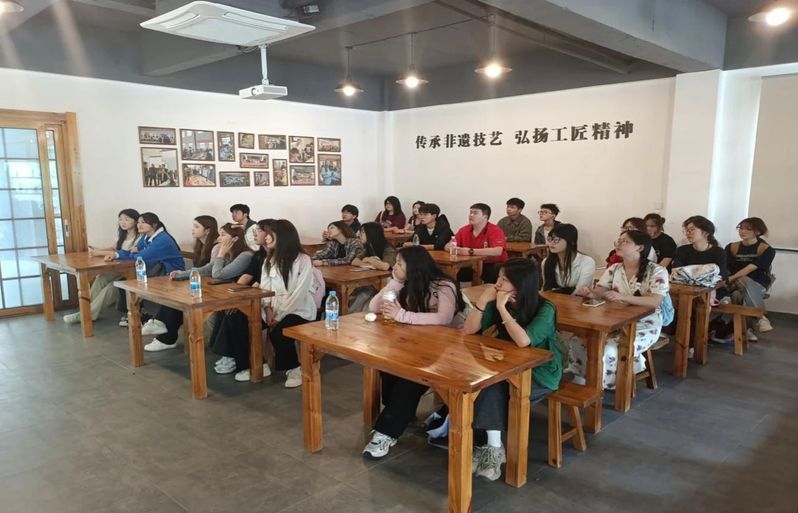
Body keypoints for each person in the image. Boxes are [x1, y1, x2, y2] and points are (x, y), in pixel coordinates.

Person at [362, 246, 466, 459]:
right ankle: (400, 412)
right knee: (388, 366)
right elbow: (373, 307)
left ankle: (386, 433)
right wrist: (395, 283)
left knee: (411, 379)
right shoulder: (406, 284)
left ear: (415, 266)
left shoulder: (443, 285)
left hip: (449, 349)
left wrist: (402, 315)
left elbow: (443, 318)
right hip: (417, 344)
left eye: (400, 264)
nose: (395, 267)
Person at [463, 258, 562, 481]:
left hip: (541, 373)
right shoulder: (500, 299)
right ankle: (489, 447)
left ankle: (492, 450)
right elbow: (469, 330)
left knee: (491, 388)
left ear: (520, 284)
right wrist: (483, 301)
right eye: (498, 278)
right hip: (506, 366)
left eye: (504, 279)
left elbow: (524, 341)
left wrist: (501, 308)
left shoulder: (545, 308)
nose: (497, 284)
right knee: (481, 384)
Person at [571, 230, 669, 390]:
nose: (618, 244)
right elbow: (602, 290)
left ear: (639, 247)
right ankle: (582, 376)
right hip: (614, 320)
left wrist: (622, 297)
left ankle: (600, 385)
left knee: (609, 347)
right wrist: (591, 293)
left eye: (625, 241)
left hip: (645, 324)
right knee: (578, 340)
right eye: (619, 240)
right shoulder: (615, 268)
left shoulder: (657, 271)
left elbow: (655, 300)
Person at [141, 223, 257, 351]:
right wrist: (182, 274)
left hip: (233, 296)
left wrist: (221, 254)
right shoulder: (227, 252)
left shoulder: (245, 255)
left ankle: (165, 333)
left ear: (235, 239)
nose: (219, 238)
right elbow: (207, 269)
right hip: (218, 291)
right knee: (181, 295)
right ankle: (161, 327)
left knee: (191, 300)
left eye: (223, 235)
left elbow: (218, 274)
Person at [103, 212, 185, 341]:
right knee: (124, 283)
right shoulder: (146, 237)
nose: (139, 225)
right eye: (138, 222)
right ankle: (144, 317)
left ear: (154, 225)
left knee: (129, 283)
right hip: (156, 271)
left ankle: (150, 319)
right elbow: (133, 252)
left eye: (143, 222)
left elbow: (141, 256)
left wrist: (136, 252)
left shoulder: (162, 239)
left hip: (170, 273)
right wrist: (116, 254)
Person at [210, 219, 275, 379]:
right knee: (225, 309)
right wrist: (236, 297)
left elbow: (267, 284)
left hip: (271, 302)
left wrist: (241, 300)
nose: (254, 233)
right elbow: (246, 277)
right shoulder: (259, 255)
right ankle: (230, 355)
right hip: (256, 298)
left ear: (272, 234)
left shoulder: (278, 257)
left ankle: (252, 363)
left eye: (259, 231)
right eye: (254, 230)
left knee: (237, 316)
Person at [260, 219, 318, 388]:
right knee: (248, 323)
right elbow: (265, 288)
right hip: (273, 309)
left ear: (283, 237)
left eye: (270, 235)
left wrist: (280, 315)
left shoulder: (303, 260)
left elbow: (299, 294)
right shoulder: (269, 260)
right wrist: (267, 308)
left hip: (299, 309)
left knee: (279, 333)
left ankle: (294, 368)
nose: (266, 238)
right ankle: (259, 363)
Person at [64, 209, 143, 324]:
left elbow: (127, 253)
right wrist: (97, 251)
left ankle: (87, 315)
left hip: (133, 271)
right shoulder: (123, 235)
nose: (123, 222)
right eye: (120, 219)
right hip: (119, 269)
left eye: (127, 219)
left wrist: (100, 253)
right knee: (100, 279)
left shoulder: (140, 237)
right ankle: (85, 311)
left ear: (135, 221)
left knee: (111, 286)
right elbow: (114, 247)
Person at [721, 217, 776, 340]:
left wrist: (732, 278)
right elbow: (725, 267)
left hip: (758, 284)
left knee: (741, 285)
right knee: (737, 291)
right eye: (740, 228)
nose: (742, 231)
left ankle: (747, 329)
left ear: (758, 232)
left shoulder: (767, 250)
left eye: (747, 229)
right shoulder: (732, 247)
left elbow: (751, 268)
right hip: (734, 283)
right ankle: (759, 319)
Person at [445, 203, 508, 283]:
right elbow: (447, 246)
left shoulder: (495, 230)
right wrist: (455, 249)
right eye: (470, 212)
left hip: (491, 264)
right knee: (449, 272)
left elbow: (497, 251)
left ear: (485, 217)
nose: (471, 215)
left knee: (492, 273)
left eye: (475, 213)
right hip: (470, 264)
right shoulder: (464, 230)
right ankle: (455, 291)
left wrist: (470, 251)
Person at [541, 223, 596, 294]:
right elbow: (546, 288)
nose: (551, 243)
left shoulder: (587, 262)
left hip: (579, 299)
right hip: (556, 299)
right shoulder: (546, 262)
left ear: (571, 242)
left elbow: (579, 291)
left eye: (556, 240)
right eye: (550, 239)